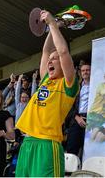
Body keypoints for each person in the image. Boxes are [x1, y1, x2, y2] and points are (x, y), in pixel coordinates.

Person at [15, 10, 79, 177]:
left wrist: (51, 23)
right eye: (50, 59)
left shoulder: (68, 84)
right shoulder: (45, 81)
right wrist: (53, 29)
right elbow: (45, 52)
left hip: (47, 144)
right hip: (27, 142)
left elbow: (63, 52)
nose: (50, 60)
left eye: (54, 59)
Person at [65, 62, 91, 161]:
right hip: (76, 119)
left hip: (92, 120)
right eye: (83, 70)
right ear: (80, 73)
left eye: (88, 70)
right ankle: (69, 175)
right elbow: (69, 105)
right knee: (72, 148)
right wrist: (77, 117)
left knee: (88, 150)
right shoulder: (76, 87)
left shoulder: (98, 86)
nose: (85, 72)